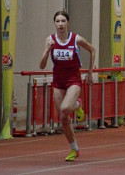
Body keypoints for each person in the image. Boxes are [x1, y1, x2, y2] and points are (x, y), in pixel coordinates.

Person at [40, 11, 95, 161]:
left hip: (73, 80)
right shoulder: (50, 40)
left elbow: (92, 50)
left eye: (63, 21)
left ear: (67, 23)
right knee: (63, 117)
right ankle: (74, 149)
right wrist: (47, 50)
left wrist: (90, 72)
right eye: (57, 21)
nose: (60, 24)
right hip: (58, 80)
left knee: (65, 108)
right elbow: (42, 65)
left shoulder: (76, 39)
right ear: (54, 24)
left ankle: (77, 104)